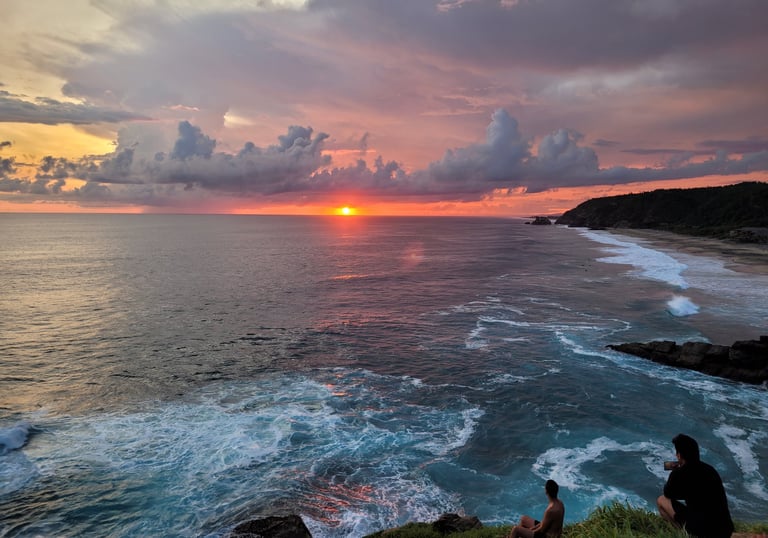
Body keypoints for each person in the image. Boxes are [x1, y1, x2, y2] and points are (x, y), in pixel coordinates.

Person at [657, 433, 734, 538]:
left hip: (703, 530)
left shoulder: (679, 473)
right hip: (725, 530)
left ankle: (684, 534)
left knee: (661, 500)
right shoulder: (710, 470)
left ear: (679, 455)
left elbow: (668, 493)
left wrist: (675, 471)